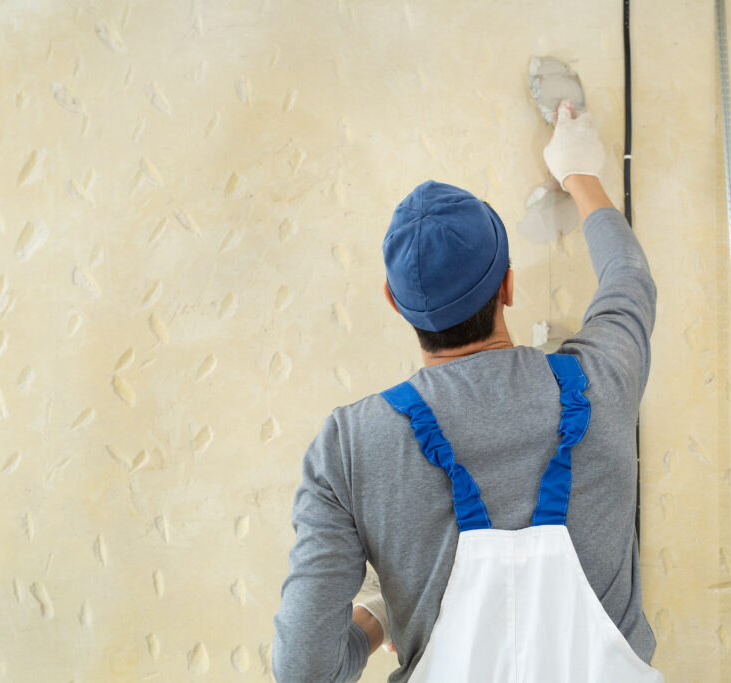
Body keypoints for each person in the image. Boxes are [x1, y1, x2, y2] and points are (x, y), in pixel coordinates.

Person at [272, 99, 660, 682]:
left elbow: (304, 674)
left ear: (393, 301)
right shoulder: (604, 378)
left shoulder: (349, 448)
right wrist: (577, 170)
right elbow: (628, 276)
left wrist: (377, 618)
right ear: (507, 286)